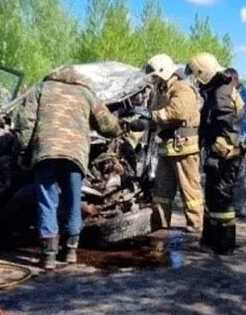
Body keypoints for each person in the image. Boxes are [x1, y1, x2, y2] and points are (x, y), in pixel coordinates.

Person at [14, 66, 122, 270]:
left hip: (46, 152)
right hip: (75, 155)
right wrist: (119, 128)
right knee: (73, 200)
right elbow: (106, 124)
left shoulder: (41, 88)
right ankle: (70, 251)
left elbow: (24, 122)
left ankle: (48, 256)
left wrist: (23, 152)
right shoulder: (85, 92)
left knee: (47, 202)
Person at [186, 52, 244, 254]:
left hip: (224, 157)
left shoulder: (221, 92)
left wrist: (215, 155)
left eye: (196, 73)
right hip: (221, 154)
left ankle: (224, 244)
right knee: (213, 199)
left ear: (203, 72)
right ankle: (211, 241)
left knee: (221, 199)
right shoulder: (218, 89)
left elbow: (228, 127)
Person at [144, 53, 203, 233]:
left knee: (189, 190)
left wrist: (153, 116)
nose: (154, 79)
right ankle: (160, 223)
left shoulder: (182, 88)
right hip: (168, 147)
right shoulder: (165, 89)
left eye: (155, 75)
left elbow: (177, 112)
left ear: (164, 71)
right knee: (162, 190)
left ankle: (195, 224)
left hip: (184, 147)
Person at [226, 68, 246, 218]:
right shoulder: (233, 93)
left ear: (234, 80)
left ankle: (239, 206)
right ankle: (231, 203)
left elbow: (245, 122)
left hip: (239, 140)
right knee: (228, 172)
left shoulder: (245, 96)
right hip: (231, 138)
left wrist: (240, 141)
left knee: (237, 172)